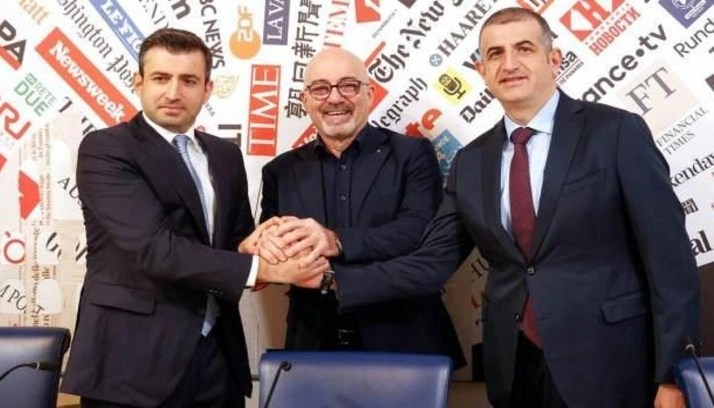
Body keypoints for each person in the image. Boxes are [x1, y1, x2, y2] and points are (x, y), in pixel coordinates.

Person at [297, 8, 700, 408]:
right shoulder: (471, 161)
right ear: (482, 71)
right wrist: (331, 279)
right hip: (516, 368)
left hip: (612, 365)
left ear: (554, 60)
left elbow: (670, 260)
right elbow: (431, 262)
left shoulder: (616, 132)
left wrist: (673, 374)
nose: (509, 64)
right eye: (495, 54)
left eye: (524, 48)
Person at [60, 28, 327, 408]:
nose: (173, 92)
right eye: (161, 78)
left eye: (188, 80)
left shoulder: (225, 156)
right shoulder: (106, 149)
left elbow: (233, 241)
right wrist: (266, 269)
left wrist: (260, 245)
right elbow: (155, 250)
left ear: (207, 89)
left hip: (218, 357)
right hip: (132, 362)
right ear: (138, 82)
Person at [254, 48, 465, 368]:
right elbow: (272, 251)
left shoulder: (412, 154)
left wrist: (335, 241)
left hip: (405, 343)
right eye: (320, 88)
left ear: (370, 94)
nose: (334, 98)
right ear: (305, 100)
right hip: (312, 346)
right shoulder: (279, 172)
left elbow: (417, 233)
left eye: (348, 86)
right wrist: (266, 252)